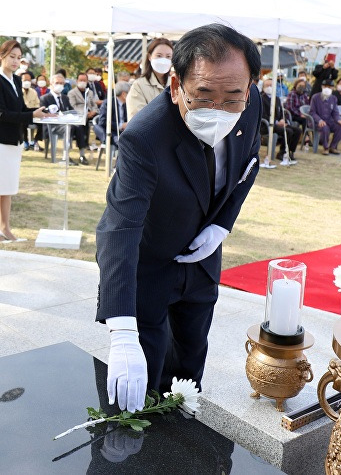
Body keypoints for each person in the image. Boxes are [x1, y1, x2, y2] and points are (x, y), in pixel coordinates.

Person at [95, 23, 262, 414]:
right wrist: (121, 331)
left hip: (202, 262)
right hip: (150, 265)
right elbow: (120, 226)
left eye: (232, 98)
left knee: (188, 369)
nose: (219, 111)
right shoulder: (145, 136)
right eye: (203, 97)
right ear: (175, 85)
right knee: (139, 379)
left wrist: (222, 225)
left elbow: (250, 163)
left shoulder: (249, 104)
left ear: (249, 87)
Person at [0, 40, 55, 242]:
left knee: (7, 187)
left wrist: (38, 113)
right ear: (2, 56)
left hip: (14, 141)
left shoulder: (15, 80)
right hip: (1, 141)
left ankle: (5, 229)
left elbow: (21, 111)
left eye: (18, 58)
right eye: (11, 57)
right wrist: (30, 117)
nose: (15, 61)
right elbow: (3, 114)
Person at [40, 73, 89, 165]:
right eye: (57, 83)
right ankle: (65, 156)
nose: (60, 85)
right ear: (51, 84)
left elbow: (71, 111)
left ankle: (82, 155)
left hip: (66, 123)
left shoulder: (65, 98)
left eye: (62, 83)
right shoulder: (44, 98)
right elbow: (43, 113)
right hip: (52, 126)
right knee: (68, 128)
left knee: (79, 127)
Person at [126, 38, 173, 121]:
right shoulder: (139, 85)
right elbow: (136, 119)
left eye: (168, 56)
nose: (163, 60)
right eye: (159, 55)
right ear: (149, 57)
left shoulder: (176, 84)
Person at [260, 78, 301, 161]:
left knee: (297, 130)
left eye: (271, 85)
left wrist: (283, 120)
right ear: (263, 87)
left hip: (279, 124)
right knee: (288, 131)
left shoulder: (277, 99)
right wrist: (276, 122)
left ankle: (290, 151)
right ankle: (282, 153)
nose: (269, 87)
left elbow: (282, 112)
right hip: (266, 125)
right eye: (267, 85)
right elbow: (262, 115)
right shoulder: (261, 98)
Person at [309, 79, 341, 155]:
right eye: (325, 86)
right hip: (317, 121)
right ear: (322, 87)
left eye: (330, 87)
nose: (327, 89)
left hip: (329, 120)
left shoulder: (333, 98)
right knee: (325, 128)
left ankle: (333, 147)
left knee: (340, 127)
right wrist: (319, 120)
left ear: (333, 88)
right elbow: (312, 112)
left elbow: (335, 112)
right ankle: (325, 148)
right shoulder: (315, 97)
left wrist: (338, 119)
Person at [68, 72, 99, 150]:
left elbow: (94, 105)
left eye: (84, 80)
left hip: (91, 114)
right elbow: (73, 106)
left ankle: (98, 141)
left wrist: (93, 111)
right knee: (83, 121)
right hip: (79, 114)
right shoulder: (72, 93)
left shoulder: (90, 92)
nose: (82, 82)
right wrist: (84, 113)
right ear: (77, 81)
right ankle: (82, 143)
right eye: (80, 80)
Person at [94, 81, 130, 147]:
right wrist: (120, 126)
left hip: (125, 132)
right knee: (124, 144)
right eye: (130, 93)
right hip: (111, 132)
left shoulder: (127, 105)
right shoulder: (108, 103)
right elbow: (103, 122)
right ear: (124, 94)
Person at [20, 72, 41, 151]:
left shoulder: (33, 92)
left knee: (43, 124)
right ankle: (25, 141)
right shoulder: (18, 91)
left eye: (29, 80)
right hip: (23, 115)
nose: (27, 82)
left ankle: (35, 141)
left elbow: (37, 104)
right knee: (23, 122)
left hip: (34, 115)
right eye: (25, 80)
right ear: (20, 80)